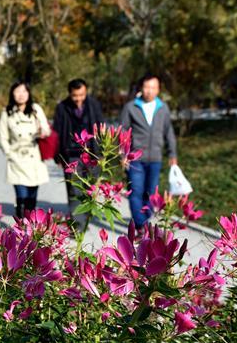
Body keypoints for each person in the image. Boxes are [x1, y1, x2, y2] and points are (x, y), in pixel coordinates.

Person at [119, 73, 179, 229]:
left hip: (155, 159)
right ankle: (141, 225)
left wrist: (172, 153)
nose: (149, 91)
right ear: (141, 88)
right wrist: (123, 154)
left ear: (158, 89)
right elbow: (123, 131)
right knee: (136, 191)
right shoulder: (131, 107)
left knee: (151, 194)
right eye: (147, 87)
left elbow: (168, 131)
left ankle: (144, 220)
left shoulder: (163, 108)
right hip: (135, 159)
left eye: (153, 87)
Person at [53, 78, 105, 230]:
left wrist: (102, 151)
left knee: (91, 187)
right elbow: (57, 132)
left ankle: (87, 216)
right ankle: (78, 224)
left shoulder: (94, 105)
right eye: (75, 95)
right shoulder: (62, 107)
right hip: (71, 154)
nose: (78, 99)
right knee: (74, 189)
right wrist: (58, 155)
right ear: (70, 93)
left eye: (81, 95)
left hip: (93, 153)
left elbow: (101, 127)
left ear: (86, 91)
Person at [0, 81, 51, 220]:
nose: (21, 95)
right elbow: (3, 137)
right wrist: (9, 154)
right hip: (16, 158)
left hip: (34, 157)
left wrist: (43, 132)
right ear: (12, 94)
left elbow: (47, 129)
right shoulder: (7, 112)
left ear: (28, 93)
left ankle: (30, 224)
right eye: (17, 91)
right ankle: (21, 224)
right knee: (21, 196)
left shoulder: (36, 109)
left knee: (32, 197)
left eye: (24, 91)